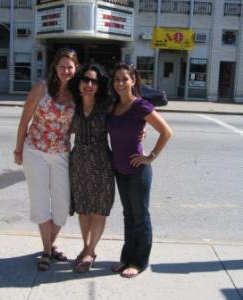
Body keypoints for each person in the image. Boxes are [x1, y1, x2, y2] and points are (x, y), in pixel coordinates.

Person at [13, 48, 79, 271]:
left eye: (70, 66)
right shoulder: (41, 88)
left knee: (62, 207)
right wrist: (18, 150)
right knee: (40, 202)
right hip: (35, 152)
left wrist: (138, 129)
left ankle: (49, 245)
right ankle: (47, 251)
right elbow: (24, 120)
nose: (66, 70)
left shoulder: (78, 94)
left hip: (61, 154)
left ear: (76, 68)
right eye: (62, 66)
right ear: (55, 68)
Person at [107, 62, 172, 278]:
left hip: (137, 172)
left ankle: (139, 261)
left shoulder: (141, 106)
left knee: (141, 217)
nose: (120, 83)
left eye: (125, 79)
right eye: (117, 79)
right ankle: (126, 258)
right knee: (128, 216)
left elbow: (166, 132)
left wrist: (150, 157)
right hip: (119, 170)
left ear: (133, 80)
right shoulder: (113, 106)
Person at [68, 64, 115, 273]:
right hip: (78, 163)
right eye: (85, 80)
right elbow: (63, 129)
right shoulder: (72, 105)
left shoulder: (108, 106)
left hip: (101, 163)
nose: (89, 85)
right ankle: (86, 248)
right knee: (84, 209)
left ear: (99, 85)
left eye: (93, 81)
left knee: (99, 209)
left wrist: (140, 134)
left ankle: (90, 251)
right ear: (78, 83)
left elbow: (127, 121)